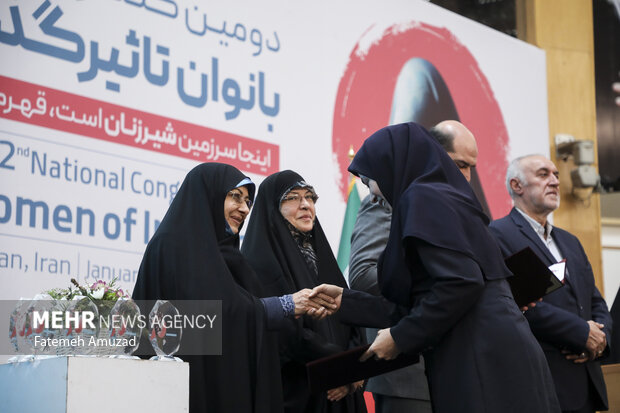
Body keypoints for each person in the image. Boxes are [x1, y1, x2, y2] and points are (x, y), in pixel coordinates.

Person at [312, 122, 561, 412]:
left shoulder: (422, 197)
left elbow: (460, 284)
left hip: (480, 357)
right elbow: (425, 296)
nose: (369, 186)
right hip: (485, 351)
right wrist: (347, 301)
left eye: (369, 177)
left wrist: (400, 337)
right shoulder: (442, 196)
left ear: (393, 164)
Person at [132, 163, 335, 413]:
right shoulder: (175, 245)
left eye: (248, 201)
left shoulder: (229, 257)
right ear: (209, 195)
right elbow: (211, 318)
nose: (244, 209)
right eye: (235, 197)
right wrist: (285, 305)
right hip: (190, 389)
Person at [348, 120, 476, 413]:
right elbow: (364, 276)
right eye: (459, 164)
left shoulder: (452, 205)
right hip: (407, 374)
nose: (465, 177)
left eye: (471, 167)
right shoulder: (389, 200)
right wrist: (433, 281)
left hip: (451, 363)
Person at [489, 154, 612, 413]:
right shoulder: (498, 235)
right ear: (516, 186)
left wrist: (599, 341)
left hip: (585, 379)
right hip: (543, 380)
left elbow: (594, 300)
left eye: (556, 174)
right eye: (544, 174)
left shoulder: (571, 241)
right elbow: (521, 303)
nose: (555, 181)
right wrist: (581, 333)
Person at [241, 170, 367, 413]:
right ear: (273, 207)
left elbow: (351, 317)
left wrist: (353, 371)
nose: (305, 205)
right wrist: (339, 366)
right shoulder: (258, 262)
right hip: (299, 391)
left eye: (310, 197)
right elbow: (283, 332)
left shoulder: (322, 255)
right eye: (293, 198)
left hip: (343, 393)